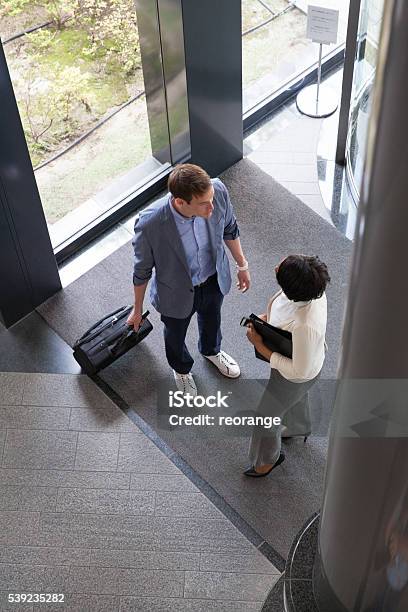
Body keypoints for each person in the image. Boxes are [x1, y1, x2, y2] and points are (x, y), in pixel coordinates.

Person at [127, 163, 251, 396]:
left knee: (212, 318)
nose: (211, 207)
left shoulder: (218, 191)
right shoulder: (150, 223)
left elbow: (230, 229)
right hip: (175, 292)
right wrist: (137, 308)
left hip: (213, 278)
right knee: (175, 334)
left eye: (211, 199)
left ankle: (211, 351)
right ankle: (181, 369)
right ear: (180, 202)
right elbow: (141, 269)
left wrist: (242, 265)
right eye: (204, 203)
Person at [244, 254, 330, 477]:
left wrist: (259, 345)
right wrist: (265, 321)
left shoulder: (305, 326)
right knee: (296, 399)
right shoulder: (310, 289)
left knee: (265, 418)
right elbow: (283, 311)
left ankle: (267, 461)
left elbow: (298, 370)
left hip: (295, 375)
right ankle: (298, 426)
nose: (277, 263)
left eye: (282, 266)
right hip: (300, 357)